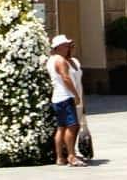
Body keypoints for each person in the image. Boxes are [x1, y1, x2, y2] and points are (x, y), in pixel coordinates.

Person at [45, 33, 87, 166]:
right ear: (58, 47)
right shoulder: (61, 61)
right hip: (66, 96)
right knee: (72, 126)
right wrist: (75, 95)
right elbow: (66, 78)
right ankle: (71, 156)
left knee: (61, 127)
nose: (67, 48)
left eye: (67, 45)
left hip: (57, 97)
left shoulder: (51, 60)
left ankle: (59, 157)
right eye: (65, 46)